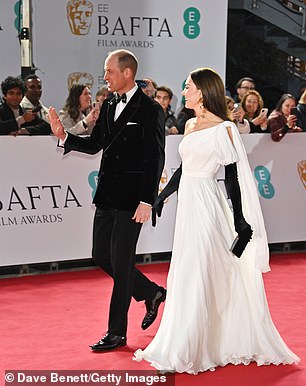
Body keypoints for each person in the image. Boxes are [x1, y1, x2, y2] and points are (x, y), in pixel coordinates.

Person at [134, 68, 300, 373]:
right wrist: (162, 195)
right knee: (187, 269)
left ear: (202, 92)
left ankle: (193, 347)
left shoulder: (224, 129)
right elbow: (185, 168)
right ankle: (192, 340)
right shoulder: (190, 123)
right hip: (188, 205)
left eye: (188, 88)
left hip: (208, 206)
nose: (183, 92)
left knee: (200, 271)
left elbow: (233, 178)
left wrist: (240, 222)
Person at [48, 49, 166, 351]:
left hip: (132, 199)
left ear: (127, 73)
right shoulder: (110, 102)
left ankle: (117, 333)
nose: (105, 77)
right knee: (102, 255)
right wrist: (65, 137)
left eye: (109, 71)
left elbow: (155, 158)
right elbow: (97, 144)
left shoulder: (150, 109)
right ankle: (151, 292)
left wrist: (146, 200)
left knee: (122, 262)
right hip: (107, 196)